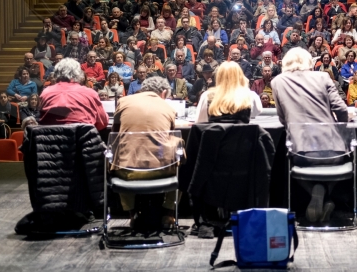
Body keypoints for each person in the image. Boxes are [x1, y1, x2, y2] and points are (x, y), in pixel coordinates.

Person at [272, 48, 348, 222]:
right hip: (334, 150)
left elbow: (283, 118)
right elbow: (341, 109)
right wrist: (340, 127)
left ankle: (315, 191)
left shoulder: (277, 82)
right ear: (309, 62)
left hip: (301, 152)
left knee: (293, 166)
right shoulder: (323, 77)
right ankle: (325, 193)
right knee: (340, 164)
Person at [111, 76, 179, 229]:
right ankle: (168, 212)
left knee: (120, 156)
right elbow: (170, 137)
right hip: (162, 173)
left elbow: (114, 136)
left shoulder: (123, 102)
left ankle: (131, 212)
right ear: (163, 93)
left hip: (127, 173)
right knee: (183, 162)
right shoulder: (168, 107)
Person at [40, 58, 108, 130]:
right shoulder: (90, 93)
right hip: (82, 139)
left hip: (52, 140)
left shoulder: (46, 93)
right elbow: (103, 122)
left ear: (56, 74)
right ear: (78, 73)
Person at [195, 61, 262, 123]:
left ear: (218, 76)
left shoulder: (207, 96)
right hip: (241, 135)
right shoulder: (251, 95)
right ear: (241, 76)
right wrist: (245, 86)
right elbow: (256, 113)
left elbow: (200, 121)